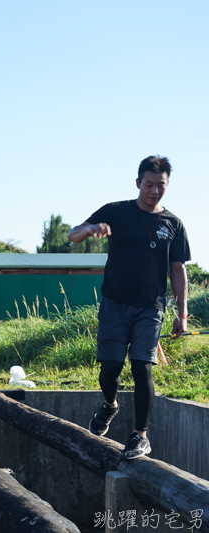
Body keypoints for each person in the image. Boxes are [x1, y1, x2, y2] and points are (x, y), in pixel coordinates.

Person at [68, 155, 190, 460]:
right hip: (114, 304)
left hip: (151, 307)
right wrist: (91, 229)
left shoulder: (173, 224)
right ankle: (109, 405)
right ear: (138, 183)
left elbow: (178, 270)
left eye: (160, 185)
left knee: (141, 366)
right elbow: (72, 235)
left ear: (167, 185)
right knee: (110, 368)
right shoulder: (116, 211)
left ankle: (140, 436)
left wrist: (182, 313)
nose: (154, 190)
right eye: (149, 184)